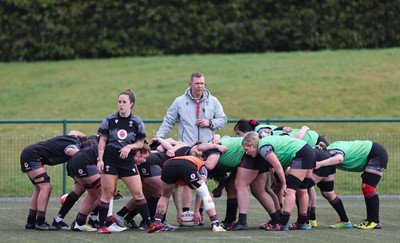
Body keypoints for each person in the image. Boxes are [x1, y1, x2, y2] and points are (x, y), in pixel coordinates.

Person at [155, 71, 228, 218]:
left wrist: (210, 122)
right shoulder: (179, 101)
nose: (200, 86)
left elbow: (223, 119)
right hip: (186, 148)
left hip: (206, 147)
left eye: (202, 83)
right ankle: (185, 213)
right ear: (190, 84)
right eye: (197, 83)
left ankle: (199, 214)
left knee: (203, 180)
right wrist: (159, 137)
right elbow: (169, 120)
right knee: (183, 182)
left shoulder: (213, 101)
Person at [96, 89, 161, 234]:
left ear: (131, 104)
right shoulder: (109, 119)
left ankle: (150, 225)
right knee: (107, 194)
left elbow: (141, 143)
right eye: (119, 102)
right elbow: (102, 140)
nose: (121, 105)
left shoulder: (137, 122)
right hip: (110, 160)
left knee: (138, 193)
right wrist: (100, 159)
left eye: (124, 102)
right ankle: (102, 227)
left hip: (127, 162)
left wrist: (129, 146)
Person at [197, 136, 281, 231]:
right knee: (247, 189)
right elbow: (224, 177)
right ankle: (277, 219)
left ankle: (242, 222)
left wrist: (195, 163)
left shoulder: (211, 152)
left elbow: (209, 165)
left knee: (242, 186)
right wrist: (220, 188)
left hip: (250, 154)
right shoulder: (212, 150)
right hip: (247, 157)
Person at [242, 132, 316, 231]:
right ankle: (302, 222)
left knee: (290, 191)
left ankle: (282, 223)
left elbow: (277, 165)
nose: (247, 153)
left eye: (247, 149)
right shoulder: (265, 142)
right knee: (302, 190)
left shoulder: (263, 147)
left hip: (301, 154)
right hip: (308, 151)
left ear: (253, 145)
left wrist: (284, 183)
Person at [20, 130, 87, 230]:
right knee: (46, 187)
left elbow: (74, 131)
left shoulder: (73, 138)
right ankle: (40, 222)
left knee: (39, 189)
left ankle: (31, 221)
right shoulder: (73, 147)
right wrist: (89, 154)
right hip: (32, 156)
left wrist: (87, 138)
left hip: (30, 153)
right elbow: (70, 151)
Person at [315, 140, 388, 229]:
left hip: (376, 153)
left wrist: (319, 164)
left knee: (368, 187)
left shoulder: (332, 151)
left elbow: (339, 159)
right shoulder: (328, 155)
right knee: (366, 187)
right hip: (371, 153)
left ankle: (374, 221)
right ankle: (365, 221)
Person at [147, 155, 226, 233]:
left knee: (164, 196)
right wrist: (197, 210)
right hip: (186, 166)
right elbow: (202, 189)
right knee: (205, 194)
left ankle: (156, 223)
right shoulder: (201, 165)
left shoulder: (185, 158)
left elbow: (174, 191)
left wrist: (179, 211)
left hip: (168, 165)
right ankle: (215, 224)